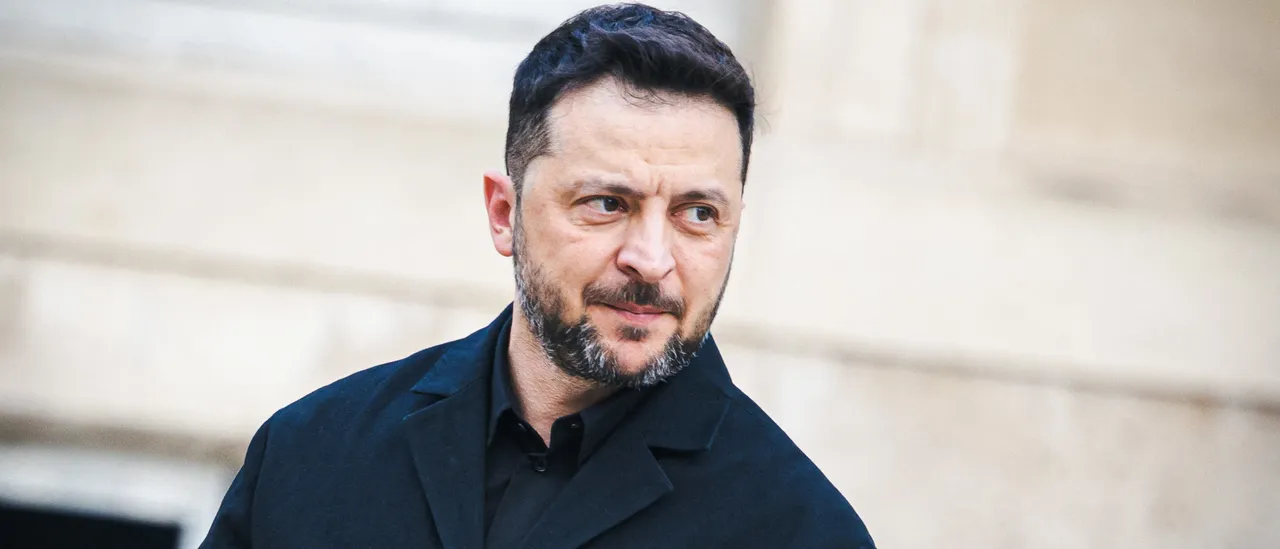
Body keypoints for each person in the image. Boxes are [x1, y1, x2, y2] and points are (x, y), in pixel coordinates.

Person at [200, 4, 874, 548]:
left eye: (698, 214)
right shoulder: (311, 453)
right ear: (505, 214)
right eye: (607, 203)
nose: (651, 259)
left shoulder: (803, 531)